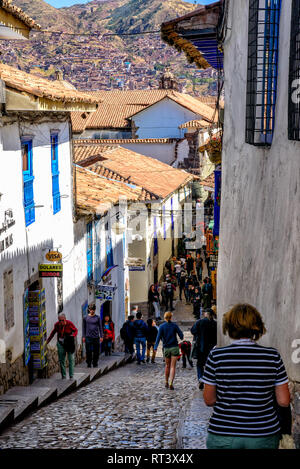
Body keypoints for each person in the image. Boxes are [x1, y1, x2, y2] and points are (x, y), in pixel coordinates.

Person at [202, 304, 290, 450]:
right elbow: (284, 401)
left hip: (223, 433)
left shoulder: (216, 356)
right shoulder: (272, 356)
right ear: (256, 327)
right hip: (263, 434)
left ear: (229, 327)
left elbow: (209, 400)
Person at [154, 311, 184, 390]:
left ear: (164, 317)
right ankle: (171, 382)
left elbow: (158, 338)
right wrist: (181, 336)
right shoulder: (174, 326)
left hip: (166, 348)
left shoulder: (161, 326)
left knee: (167, 366)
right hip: (174, 347)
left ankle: (166, 382)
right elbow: (181, 336)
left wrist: (155, 347)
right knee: (173, 366)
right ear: (171, 317)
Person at [47, 313, 78, 379]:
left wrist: (73, 335)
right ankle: (63, 375)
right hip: (61, 343)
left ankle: (71, 375)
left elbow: (75, 330)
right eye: (59, 320)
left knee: (71, 359)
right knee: (61, 360)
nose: (61, 322)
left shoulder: (69, 323)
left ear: (65, 319)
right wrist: (48, 341)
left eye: (62, 320)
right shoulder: (57, 325)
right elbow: (53, 332)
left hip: (69, 343)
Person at [191, 309, 217, 389]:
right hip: (212, 348)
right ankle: (209, 380)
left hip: (201, 347)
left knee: (199, 364)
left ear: (206, 314)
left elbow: (193, 331)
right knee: (210, 365)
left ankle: (200, 379)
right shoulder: (215, 323)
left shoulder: (200, 322)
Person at [82, 304, 103, 368]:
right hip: (88, 337)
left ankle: (95, 363)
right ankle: (88, 362)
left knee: (96, 351)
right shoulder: (85, 318)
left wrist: (101, 336)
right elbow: (84, 327)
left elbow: (100, 327)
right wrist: (83, 336)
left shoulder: (98, 317)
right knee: (88, 351)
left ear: (95, 310)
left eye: (93, 310)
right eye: (91, 310)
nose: (92, 311)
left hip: (96, 337)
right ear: (89, 310)